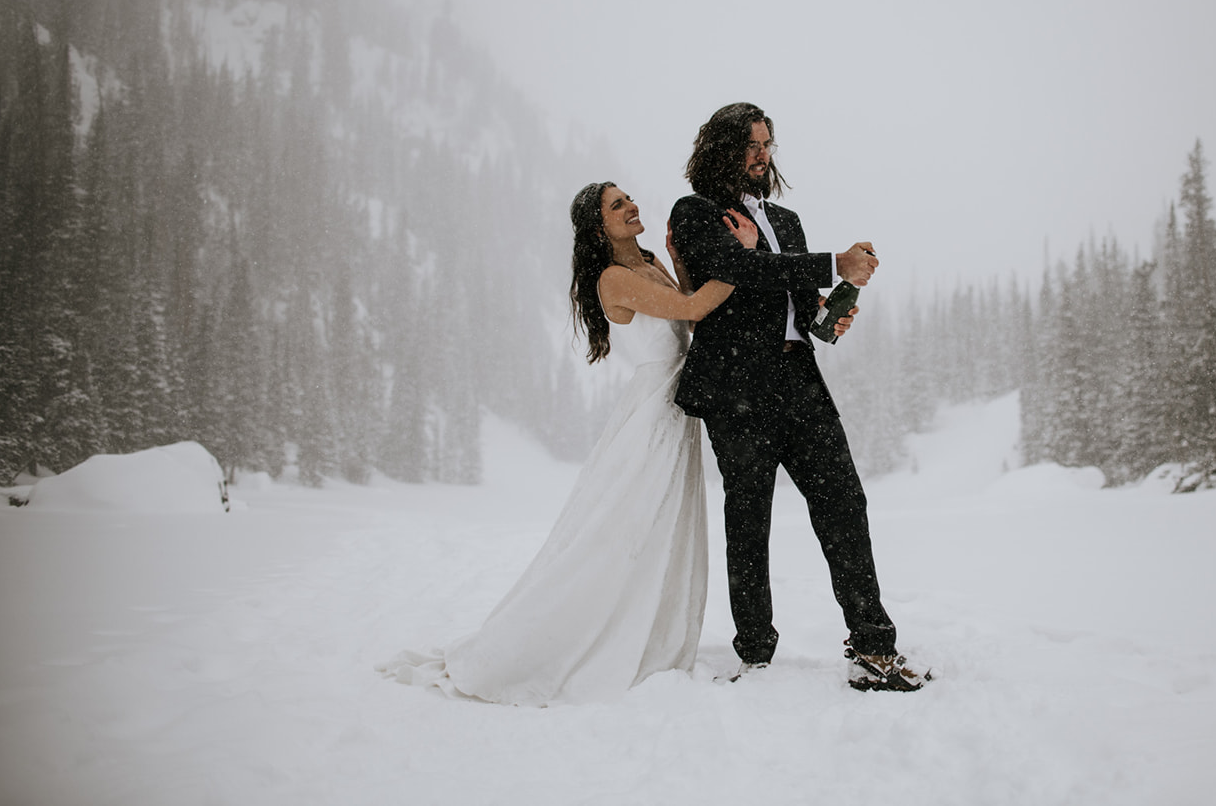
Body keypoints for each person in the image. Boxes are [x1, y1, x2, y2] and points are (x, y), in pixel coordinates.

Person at [376, 182, 759, 705]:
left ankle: (648, 630)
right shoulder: (613, 278)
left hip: (675, 401)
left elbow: (686, 312)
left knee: (662, 525)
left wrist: (675, 257)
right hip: (651, 409)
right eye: (616, 205)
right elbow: (692, 311)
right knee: (623, 527)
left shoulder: (645, 262)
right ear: (598, 226)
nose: (631, 207)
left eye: (628, 198)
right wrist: (746, 257)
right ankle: (567, 638)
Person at [668, 102, 930, 692]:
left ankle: (873, 648)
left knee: (844, 504)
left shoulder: (785, 220)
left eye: (768, 144)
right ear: (721, 149)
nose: (762, 156)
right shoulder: (695, 212)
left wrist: (829, 312)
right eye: (750, 145)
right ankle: (755, 654)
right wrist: (828, 261)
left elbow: (801, 305)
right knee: (749, 520)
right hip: (735, 389)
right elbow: (737, 270)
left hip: (798, 382)